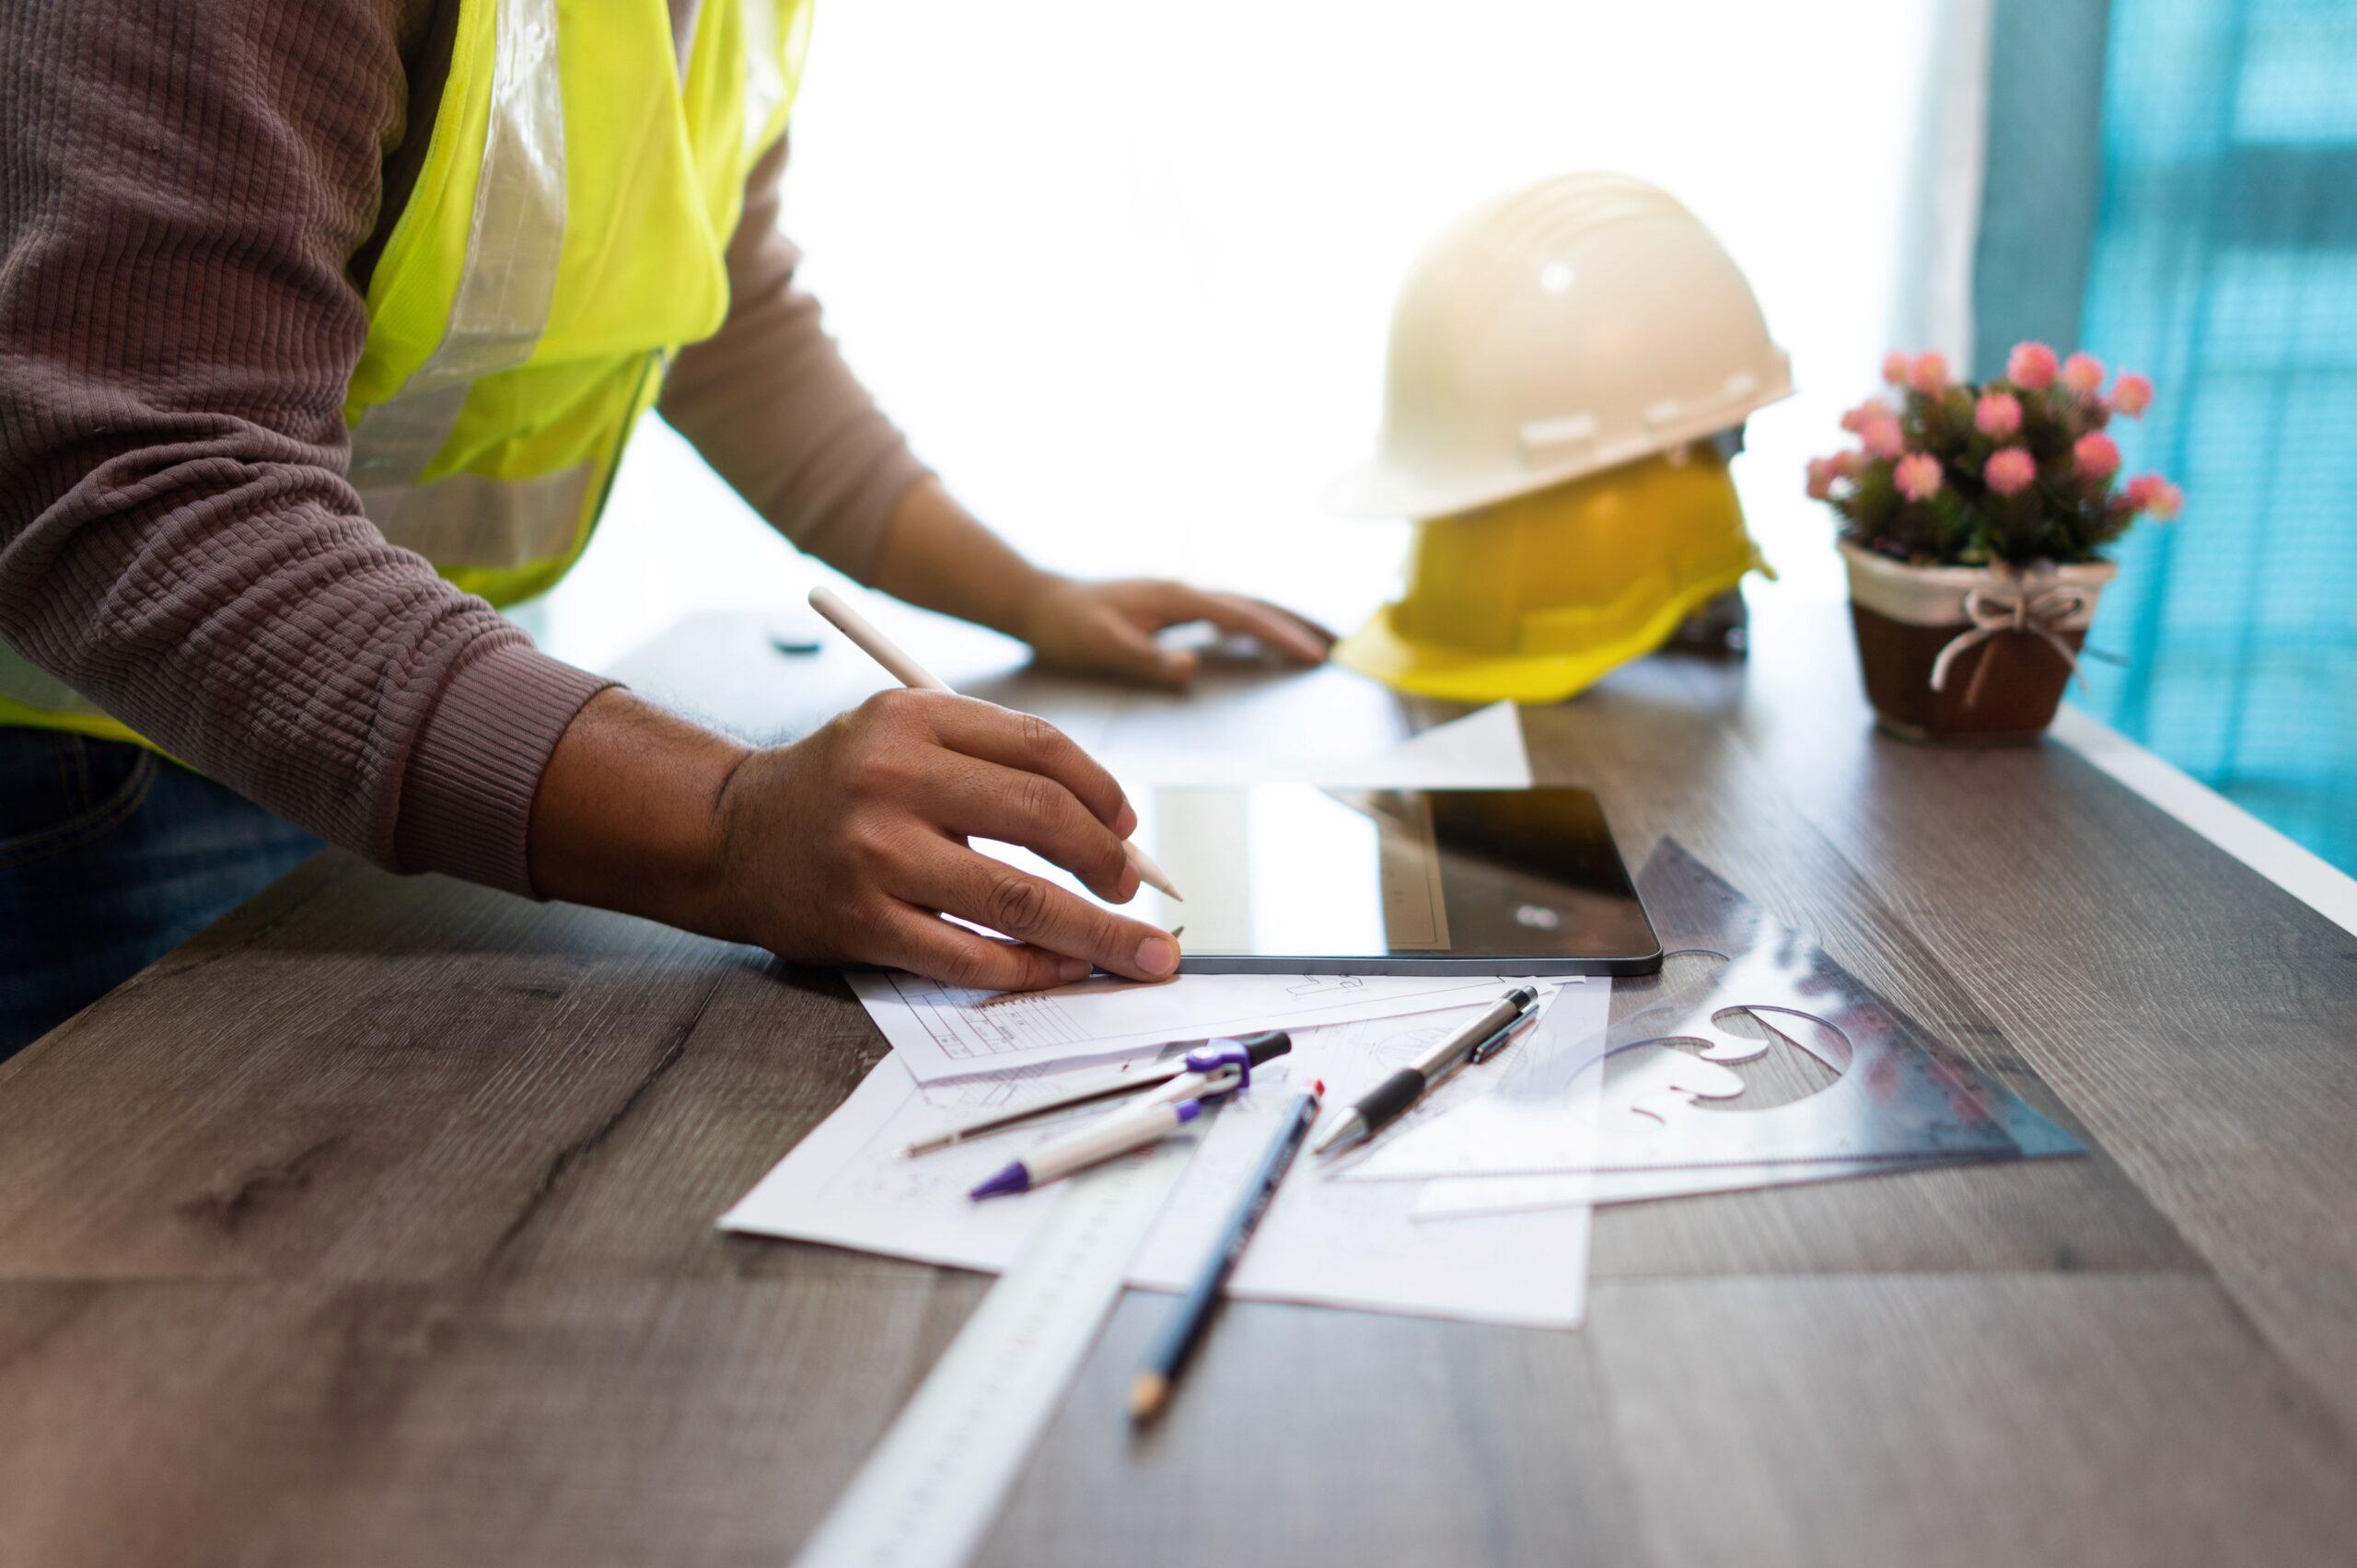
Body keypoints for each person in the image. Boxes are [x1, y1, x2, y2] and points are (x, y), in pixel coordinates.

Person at [0, 0, 1329, 1058]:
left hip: (385, 723)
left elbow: (724, 312)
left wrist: (1029, 594)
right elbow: (139, 466)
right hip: (88, 770)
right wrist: (729, 822)